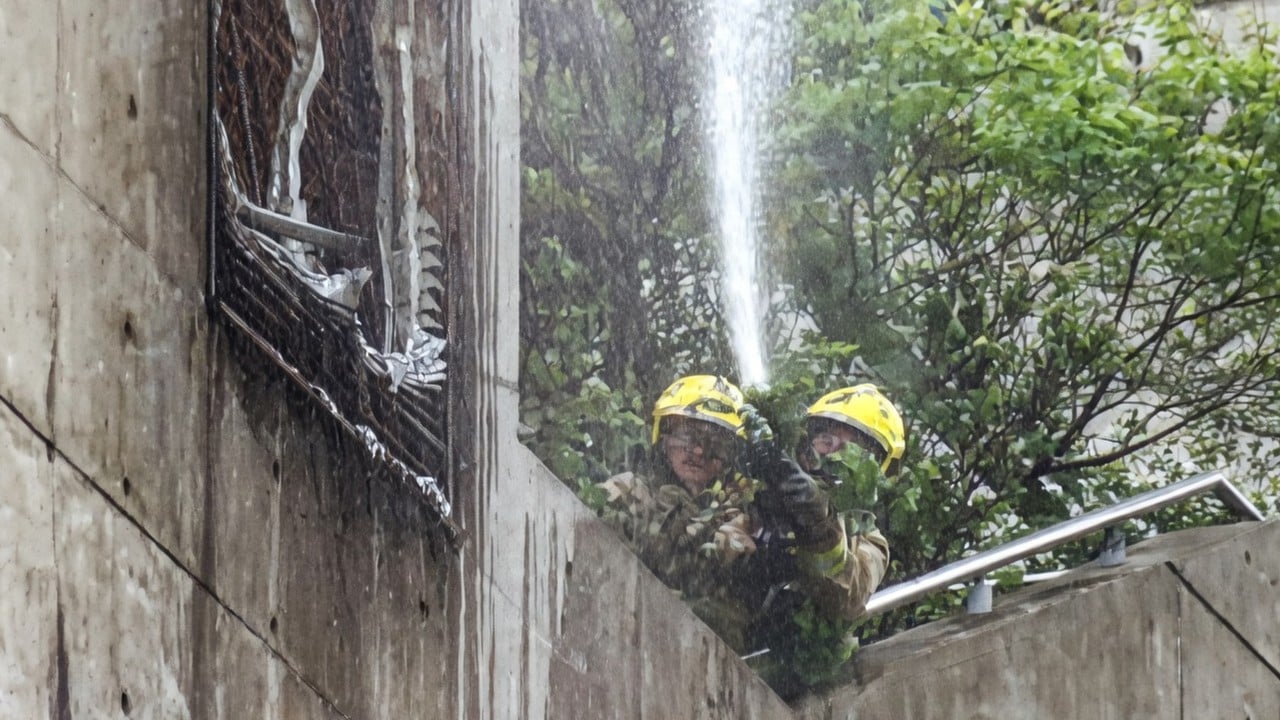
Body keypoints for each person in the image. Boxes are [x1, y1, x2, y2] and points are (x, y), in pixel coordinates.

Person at [588, 375, 895, 698]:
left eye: (853, 451)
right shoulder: (752, 496)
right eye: (826, 440)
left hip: (766, 684)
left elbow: (848, 596)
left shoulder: (868, 539)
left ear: (879, 471)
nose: (697, 451)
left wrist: (812, 516)